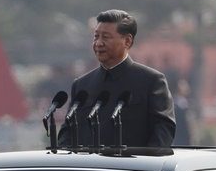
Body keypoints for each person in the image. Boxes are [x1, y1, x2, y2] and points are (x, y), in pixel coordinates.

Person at [59, 9, 175, 148]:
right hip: (87, 162)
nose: (98, 43)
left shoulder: (151, 81)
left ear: (127, 41)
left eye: (106, 37)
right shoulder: (81, 85)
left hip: (134, 162)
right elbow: (67, 133)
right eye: (96, 36)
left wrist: (145, 159)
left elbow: (163, 131)